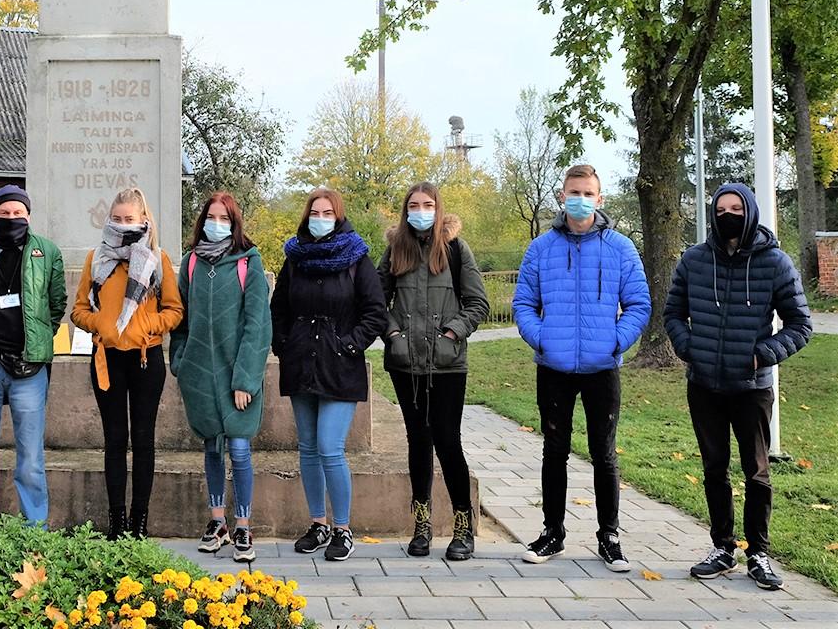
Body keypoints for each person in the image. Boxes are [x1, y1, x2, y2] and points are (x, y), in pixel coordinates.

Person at [665, 183, 812, 590]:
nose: (728, 214)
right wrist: (688, 347)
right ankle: (723, 547)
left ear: (750, 212)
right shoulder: (694, 261)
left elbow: (801, 324)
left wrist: (762, 354)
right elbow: (673, 312)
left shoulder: (776, 262)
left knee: (757, 472)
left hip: (752, 387)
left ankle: (759, 553)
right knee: (714, 468)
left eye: (736, 208)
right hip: (705, 384)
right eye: (721, 208)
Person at [513, 164, 650, 571]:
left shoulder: (620, 248)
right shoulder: (540, 248)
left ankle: (609, 535)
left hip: (601, 367)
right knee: (554, 451)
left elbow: (639, 304)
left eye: (588, 193)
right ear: (561, 195)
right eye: (574, 192)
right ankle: (552, 533)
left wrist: (616, 341)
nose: (581, 199)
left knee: (603, 454)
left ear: (599, 199)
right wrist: (542, 338)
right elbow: (523, 303)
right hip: (553, 366)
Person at [271, 186, 386, 563]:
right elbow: (279, 307)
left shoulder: (357, 258)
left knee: (330, 447)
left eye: (327, 213)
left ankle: (342, 528)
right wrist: (283, 343)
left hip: (339, 367)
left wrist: (350, 344)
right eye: (314, 213)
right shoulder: (295, 258)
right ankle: (317, 523)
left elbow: (375, 311)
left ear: (338, 217)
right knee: (306, 448)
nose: (320, 219)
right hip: (301, 361)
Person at [378, 182, 488, 560]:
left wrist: (451, 333)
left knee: (447, 440)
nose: (420, 210)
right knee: (418, 439)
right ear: (405, 210)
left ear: (438, 208)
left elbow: (477, 302)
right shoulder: (396, 249)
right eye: (413, 204)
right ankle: (421, 523)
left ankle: (463, 524)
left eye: (427, 204)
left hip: (446, 364)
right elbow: (377, 299)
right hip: (405, 363)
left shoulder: (456, 249)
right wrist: (393, 333)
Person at [72, 187, 184, 540]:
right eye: (117, 219)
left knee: (144, 439)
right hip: (107, 359)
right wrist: (102, 326)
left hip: (145, 359)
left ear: (143, 219)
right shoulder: (96, 258)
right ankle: (116, 520)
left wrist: (148, 325)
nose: (123, 224)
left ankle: (140, 521)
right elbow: (78, 310)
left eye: (129, 219)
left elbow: (175, 311)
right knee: (115, 439)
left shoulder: (157, 258)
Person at [0, 185, 67, 532]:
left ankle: (35, 528)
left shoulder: (47, 252)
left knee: (31, 457)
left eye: (18, 213)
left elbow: (57, 304)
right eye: (4, 213)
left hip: (29, 366)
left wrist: (36, 340)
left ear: (28, 216)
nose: (11, 218)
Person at [171, 192, 271, 563]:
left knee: (240, 450)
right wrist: (180, 362)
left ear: (234, 223)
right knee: (212, 446)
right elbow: (179, 319)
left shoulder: (249, 263)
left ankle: (243, 524)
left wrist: (246, 379)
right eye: (211, 217)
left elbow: (257, 326)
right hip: (198, 374)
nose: (217, 224)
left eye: (224, 218)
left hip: (237, 374)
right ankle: (218, 522)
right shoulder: (191, 263)